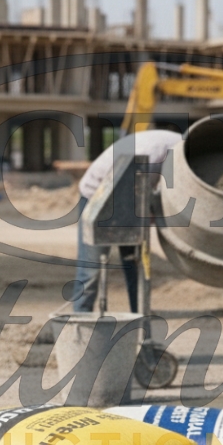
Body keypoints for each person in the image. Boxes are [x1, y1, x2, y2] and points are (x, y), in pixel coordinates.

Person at [72, 129, 182, 313]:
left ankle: (139, 324)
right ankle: (80, 327)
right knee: (90, 270)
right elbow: (128, 192)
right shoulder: (152, 154)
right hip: (97, 197)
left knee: (135, 268)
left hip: (129, 194)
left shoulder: (178, 152)